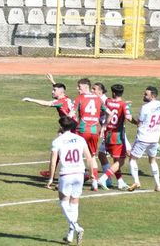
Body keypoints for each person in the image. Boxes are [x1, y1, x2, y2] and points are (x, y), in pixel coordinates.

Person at [46, 115, 97, 245]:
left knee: (63, 202)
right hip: (79, 173)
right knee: (74, 202)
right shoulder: (80, 139)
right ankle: (70, 235)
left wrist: (51, 178)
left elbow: (53, 162)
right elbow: (89, 158)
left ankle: (76, 227)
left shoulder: (58, 141)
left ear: (61, 127)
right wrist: (92, 174)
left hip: (66, 174)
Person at [23, 73, 74, 178]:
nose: (52, 91)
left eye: (54, 90)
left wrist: (31, 99)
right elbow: (60, 90)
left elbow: (47, 103)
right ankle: (51, 171)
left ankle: (83, 173)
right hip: (69, 126)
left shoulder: (60, 102)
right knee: (61, 149)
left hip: (70, 128)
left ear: (59, 92)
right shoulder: (65, 98)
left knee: (63, 150)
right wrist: (52, 81)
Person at [69, 78, 111, 191]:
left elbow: (72, 113)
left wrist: (67, 121)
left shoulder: (80, 98)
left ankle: (75, 179)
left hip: (82, 130)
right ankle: (94, 183)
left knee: (76, 154)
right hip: (94, 131)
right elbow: (109, 113)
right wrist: (104, 127)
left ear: (86, 87)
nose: (77, 89)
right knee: (92, 156)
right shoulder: (98, 98)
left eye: (79, 87)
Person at [127, 86, 160, 192]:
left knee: (132, 159)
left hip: (143, 138)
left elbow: (139, 124)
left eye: (146, 94)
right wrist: (155, 124)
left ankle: (136, 181)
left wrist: (130, 119)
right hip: (154, 139)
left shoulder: (145, 107)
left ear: (152, 96)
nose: (143, 95)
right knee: (153, 161)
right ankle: (158, 185)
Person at [96, 84, 132, 191]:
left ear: (114, 93)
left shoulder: (108, 102)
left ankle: (120, 182)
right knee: (121, 161)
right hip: (118, 136)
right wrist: (137, 122)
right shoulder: (123, 104)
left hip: (108, 134)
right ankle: (104, 178)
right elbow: (128, 117)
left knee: (116, 160)